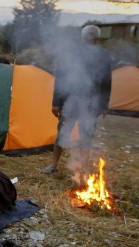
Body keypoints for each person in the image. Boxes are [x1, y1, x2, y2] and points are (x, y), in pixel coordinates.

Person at [42, 25, 112, 178]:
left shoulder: (103, 56)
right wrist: (57, 102)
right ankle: (55, 165)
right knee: (65, 132)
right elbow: (62, 78)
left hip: (90, 103)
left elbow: (106, 81)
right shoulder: (72, 54)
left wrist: (103, 104)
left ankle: (78, 167)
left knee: (85, 134)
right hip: (72, 101)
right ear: (97, 38)